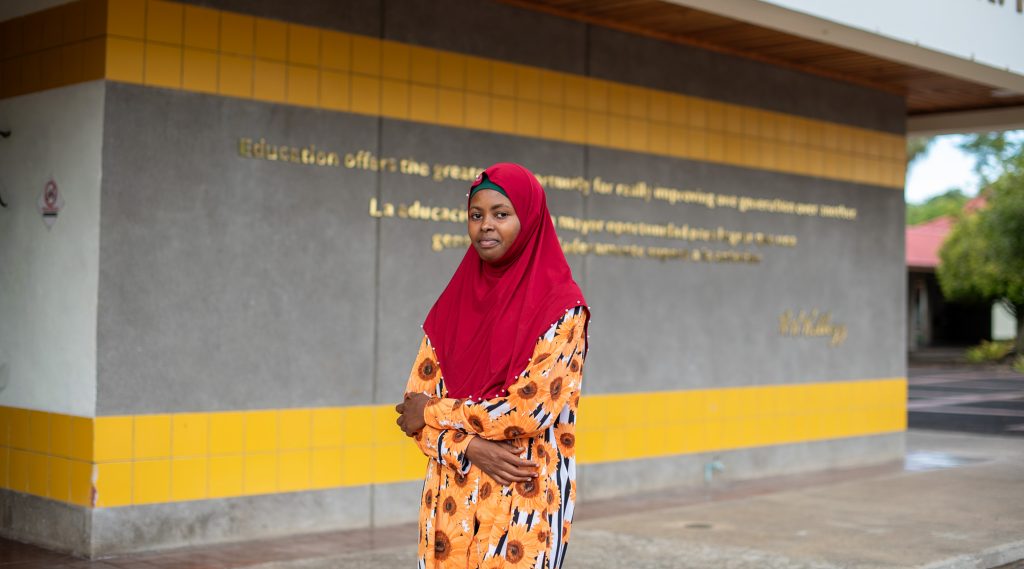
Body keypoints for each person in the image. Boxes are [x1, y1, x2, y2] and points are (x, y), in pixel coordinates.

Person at [395, 162, 590, 569]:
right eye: (476, 214)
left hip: (523, 503)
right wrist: (468, 447)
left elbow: (527, 411)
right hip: (448, 504)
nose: (485, 225)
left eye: (501, 214)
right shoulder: (453, 304)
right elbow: (410, 413)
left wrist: (434, 412)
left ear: (529, 220)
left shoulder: (562, 309)